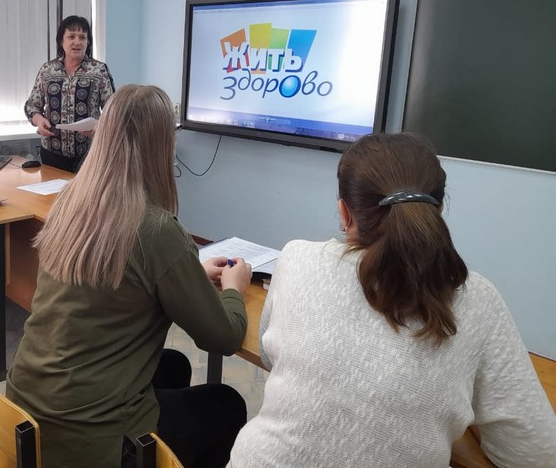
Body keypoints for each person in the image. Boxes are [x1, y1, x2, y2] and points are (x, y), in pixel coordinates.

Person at [227, 133, 556, 468]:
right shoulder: (478, 301)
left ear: (344, 212)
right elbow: (537, 454)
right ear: (439, 210)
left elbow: (270, 355)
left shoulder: (297, 258)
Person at [7, 84, 252, 468]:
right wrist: (234, 289)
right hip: (86, 435)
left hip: (28, 405)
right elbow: (223, 337)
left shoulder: (71, 202)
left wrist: (189, 274)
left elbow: (117, 276)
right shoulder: (157, 229)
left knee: (173, 364)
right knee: (227, 404)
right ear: (162, 146)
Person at [24, 15, 115, 173]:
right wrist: (39, 120)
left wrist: (98, 128)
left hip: (89, 153)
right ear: (61, 41)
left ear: (88, 42)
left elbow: (113, 110)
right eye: (71, 36)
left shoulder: (99, 70)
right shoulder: (47, 70)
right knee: (53, 190)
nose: (77, 42)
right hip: (52, 152)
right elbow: (32, 105)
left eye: (82, 37)